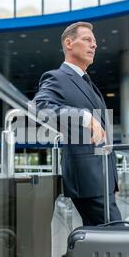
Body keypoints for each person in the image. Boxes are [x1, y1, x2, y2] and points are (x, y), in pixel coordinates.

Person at [32, 21, 122, 226]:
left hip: (102, 178)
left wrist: (113, 179)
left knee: (100, 242)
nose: (94, 45)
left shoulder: (87, 82)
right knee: (115, 236)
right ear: (69, 43)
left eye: (95, 42)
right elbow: (39, 107)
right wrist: (84, 116)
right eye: (87, 39)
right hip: (87, 179)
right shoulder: (57, 77)